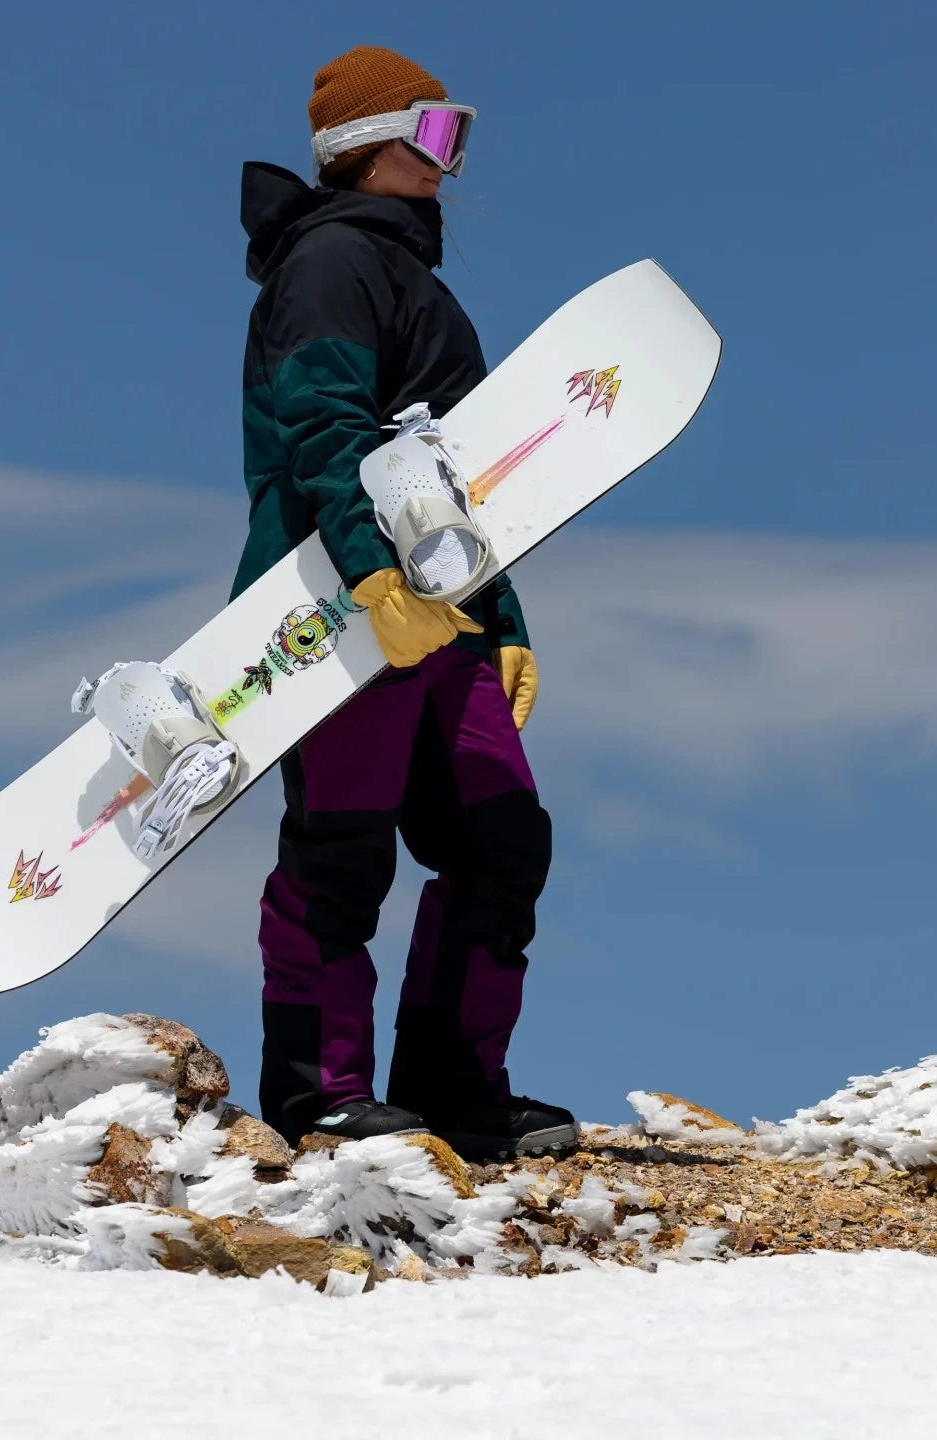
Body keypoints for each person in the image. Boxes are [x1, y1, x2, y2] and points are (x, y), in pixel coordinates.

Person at [232, 45, 576, 1163]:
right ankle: (318, 1094)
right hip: (338, 606)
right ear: (360, 148)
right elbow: (321, 425)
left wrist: (504, 620)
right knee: (342, 848)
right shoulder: (331, 261)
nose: (451, 163)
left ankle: (456, 1090)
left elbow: (463, 486)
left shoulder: (418, 278)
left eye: (456, 137)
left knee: (500, 841)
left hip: (447, 612)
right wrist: (371, 572)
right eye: (434, 137)